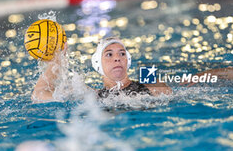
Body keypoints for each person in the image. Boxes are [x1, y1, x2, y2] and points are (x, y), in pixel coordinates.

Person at [31, 37, 171, 103]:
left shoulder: (148, 84)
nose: (117, 58)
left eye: (122, 54)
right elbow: (38, 95)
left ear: (128, 60)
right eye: (109, 54)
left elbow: (169, 94)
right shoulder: (91, 96)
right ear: (97, 63)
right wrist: (57, 61)